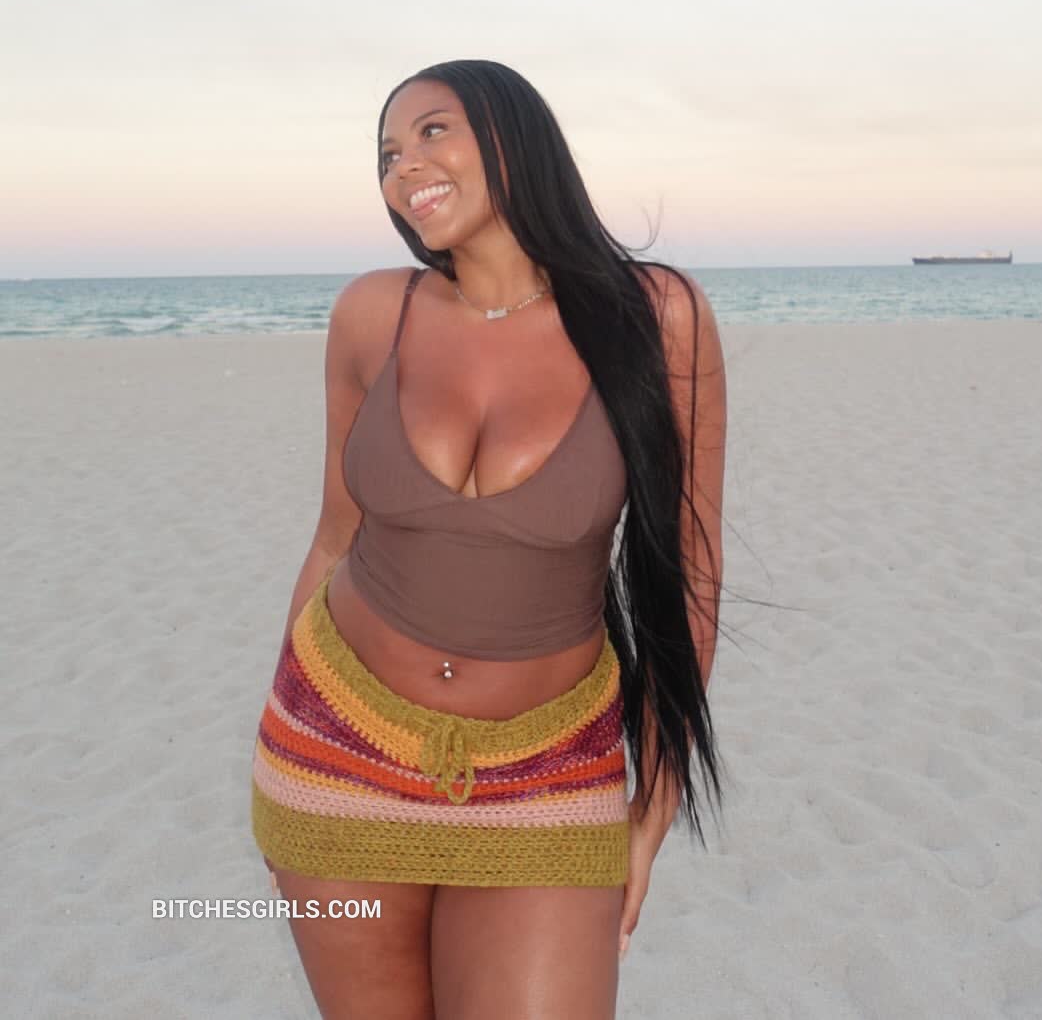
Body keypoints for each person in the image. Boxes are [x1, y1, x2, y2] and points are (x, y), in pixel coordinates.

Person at [251, 59, 728, 1019]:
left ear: (515, 135)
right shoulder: (371, 316)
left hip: (549, 774)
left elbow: (690, 572)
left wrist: (655, 803)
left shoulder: (657, 315)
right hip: (337, 747)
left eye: (432, 130)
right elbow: (336, 536)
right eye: (386, 153)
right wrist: (288, 732)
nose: (404, 166)